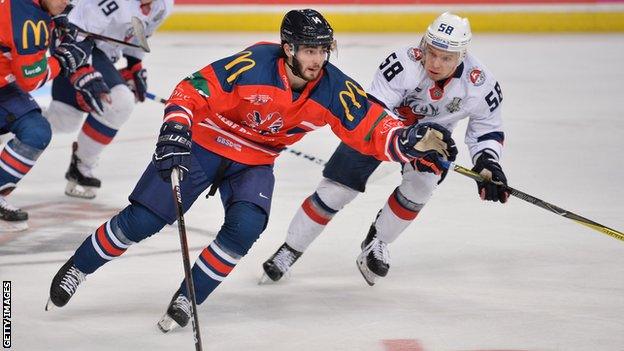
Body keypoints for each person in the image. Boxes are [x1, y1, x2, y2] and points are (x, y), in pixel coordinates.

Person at [45, 9, 457, 332]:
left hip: (257, 159)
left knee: (245, 226)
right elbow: (193, 89)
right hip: (206, 142)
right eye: (309, 50)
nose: (318, 59)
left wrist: (404, 141)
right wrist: (176, 127)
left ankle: (190, 295)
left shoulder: (332, 86)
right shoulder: (255, 64)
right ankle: (78, 268)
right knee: (144, 219)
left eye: (322, 50)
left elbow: (368, 121)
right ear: (289, 48)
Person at [261, 12, 509, 286]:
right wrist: (406, 138)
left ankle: (377, 242)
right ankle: (291, 248)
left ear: (462, 56)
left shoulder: (480, 84)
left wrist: (488, 162)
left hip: (433, 142)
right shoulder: (403, 63)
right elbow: (375, 111)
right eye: (432, 52)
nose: (435, 63)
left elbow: (487, 127)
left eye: (446, 58)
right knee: (335, 190)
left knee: (421, 186)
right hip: (380, 131)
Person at [43, 0, 173, 199]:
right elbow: (70, 30)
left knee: (63, 120)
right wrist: (82, 70)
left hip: (101, 53)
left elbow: (138, 33)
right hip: (77, 48)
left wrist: (134, 64)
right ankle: (83, 165)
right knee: (120, 102)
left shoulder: (163, 5)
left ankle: (6, 126)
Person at [0, 0, 107, 231]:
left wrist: (52, 21)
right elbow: (31, 79)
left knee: (35, 130)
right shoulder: (27, 18)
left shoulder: (33, 8)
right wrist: (64, 59)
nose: (67, 2)